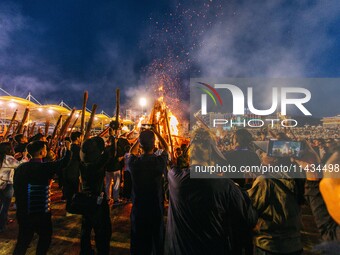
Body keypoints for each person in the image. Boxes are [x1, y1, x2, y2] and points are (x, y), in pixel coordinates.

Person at [166, 128, 258, 255]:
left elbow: (172, 165)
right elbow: (247, 220)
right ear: (213, 155)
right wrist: (244, 192)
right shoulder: (226, 186)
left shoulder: (174, 177)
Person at [12, 140, 71, 255]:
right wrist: (69, 149)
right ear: (41, 152)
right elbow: (64, 162)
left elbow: (17, 188)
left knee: (23, 241)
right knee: (45, 237)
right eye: (45, 149)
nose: (46, 150)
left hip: (24, 211)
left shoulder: (21, 168)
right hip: (40, 212)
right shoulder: (45, 167)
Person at [128, 128, 169, 255]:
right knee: (157, 239)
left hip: (139, 208)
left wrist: (139, 138)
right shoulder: (158, 162)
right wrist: (156, 132)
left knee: (138, 239)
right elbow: (166, 148)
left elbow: (131, 151)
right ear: (154, 144)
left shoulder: (134, 163)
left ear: (140, 145)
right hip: (155, 207)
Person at [79, 136, 112, 255]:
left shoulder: (83, 163)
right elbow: (108, 153)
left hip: (85, 199)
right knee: (103, 230)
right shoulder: (96, 166)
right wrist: (113, 139)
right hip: (97, 200)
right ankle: (102, 251)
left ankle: (85, 250)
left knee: (86, 228)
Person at [0, 142, 28, 233]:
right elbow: (21, 165)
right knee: (5, 206)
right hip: (7, 184)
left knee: (1, 205)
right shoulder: (8, 158)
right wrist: (25, 156)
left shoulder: (5, 158)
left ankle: (4, 221)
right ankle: (2, 226)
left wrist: (14, 158)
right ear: (9, 149)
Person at [63, 131, 82, 213]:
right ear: (77, 138)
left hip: (68, 171)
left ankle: (69, 206)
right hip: (74, 171)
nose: (81, 138)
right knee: (74, 190)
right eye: (81, 137)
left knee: (70, 190)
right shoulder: (77, 148)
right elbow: (81, 160)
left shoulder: (69, 147)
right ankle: (72, 207)